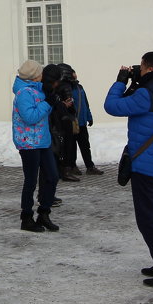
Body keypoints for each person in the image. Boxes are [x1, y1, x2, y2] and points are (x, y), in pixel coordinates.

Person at [104, 51, 153, 288]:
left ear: (148, 68)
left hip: (144, 166)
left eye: (141, 66)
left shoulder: (146, 94)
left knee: (148, 219)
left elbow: (111, 106)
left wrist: (120, 81)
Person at [12, 60, 59, 232]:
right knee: (31, 181)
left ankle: (44, 214)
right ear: (35, 76)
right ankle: (26, 218)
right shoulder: (24, 93)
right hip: (28, 143)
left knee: (52, 176)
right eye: (40, 72)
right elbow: (30, 117)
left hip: (42, 140)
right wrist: (48, 103)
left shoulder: (37, 89)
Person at [60, 64, 103, 177]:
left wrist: (89, 116)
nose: (75, 74)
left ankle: (90, 166)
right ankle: (72, 166)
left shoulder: (80, 87)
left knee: (85, 145)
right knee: (71, 146)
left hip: (82, 122)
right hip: (72, 122)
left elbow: (85, 103)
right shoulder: (66, 87)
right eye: (73, 72)